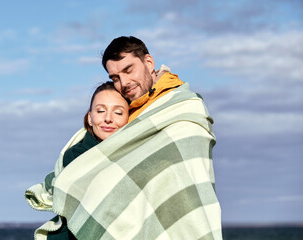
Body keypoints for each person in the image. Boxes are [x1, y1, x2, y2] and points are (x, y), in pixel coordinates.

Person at [26, 36, 222, 240]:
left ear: (148, 62)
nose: (124, 83)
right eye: (115, 78)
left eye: (128, 70)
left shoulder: (181, 107)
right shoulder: (130, 109)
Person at [26, 81, 129, 239]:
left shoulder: (135, 156)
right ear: (90, 118)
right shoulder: (75, 156)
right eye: (100, 111)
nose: (108, 118)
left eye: (119, 112)